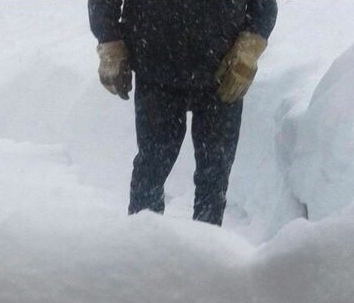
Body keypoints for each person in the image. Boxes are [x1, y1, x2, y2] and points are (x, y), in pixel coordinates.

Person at [89, 0, 278, 225]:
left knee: (214, 177)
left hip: (222, 73)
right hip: (156, 70)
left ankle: (205, 243)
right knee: (151, 169)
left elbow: (264, 6)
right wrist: (109, 42)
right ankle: (143, 240)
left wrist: (249, 48)